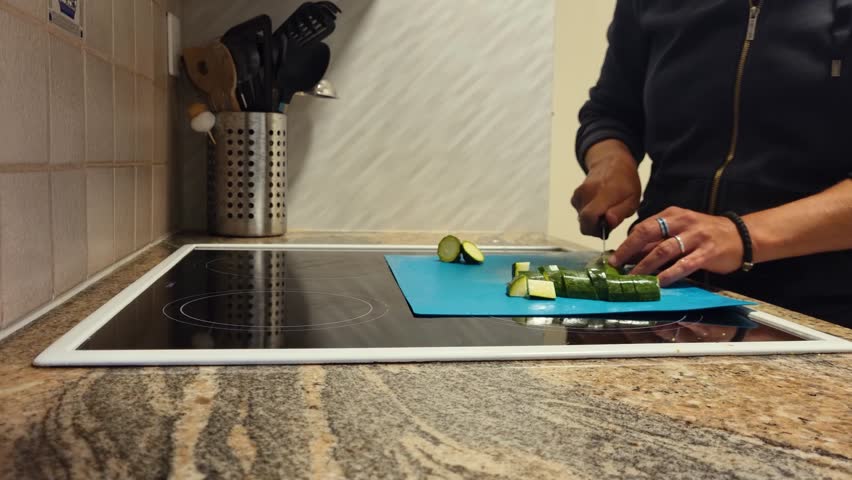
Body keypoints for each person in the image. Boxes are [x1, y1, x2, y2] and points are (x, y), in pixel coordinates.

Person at [571, 0, 852, 327]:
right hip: (662, 295)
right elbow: (610, 112)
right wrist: (610, 160)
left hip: (822, 317)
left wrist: (743, 236)